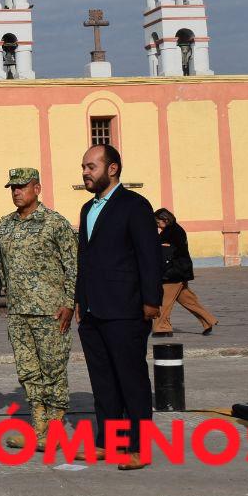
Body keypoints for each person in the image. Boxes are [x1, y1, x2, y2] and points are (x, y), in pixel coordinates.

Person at [74, 144, 162, 471]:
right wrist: (81, 301)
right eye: (83, 166)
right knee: (103, 381)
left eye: (91, 166)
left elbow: (149, 256)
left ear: (112, 169)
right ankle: (108, 442)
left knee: (132, 379)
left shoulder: (135, 206)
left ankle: (139, 447)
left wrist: (151, 302)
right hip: (94, 310)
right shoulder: (87, 209)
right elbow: (85, 258)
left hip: (126, 310)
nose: (85, 172)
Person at [0, 167, 77, 450]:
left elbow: (72, 266)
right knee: (28, 370)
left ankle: (54, 429)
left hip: (51, 312)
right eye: (13, 187)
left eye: (22, 186)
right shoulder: (4, 226)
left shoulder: (55, 224)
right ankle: (38, 427)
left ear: (37, 189)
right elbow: (1, 268)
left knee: (53, 370)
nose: (17, 192)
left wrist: (69, 303)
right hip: (19, 313)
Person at [152, 209, 218, 337]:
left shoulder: (173, 232)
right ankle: (208, 321)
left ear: (165, 220)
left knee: (164, 301)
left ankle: (162, 328)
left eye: (157, 222)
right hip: (180, 271)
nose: (157, 225)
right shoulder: (172, 230)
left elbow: (168, 253)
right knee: (189, 300)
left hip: (173, 273)